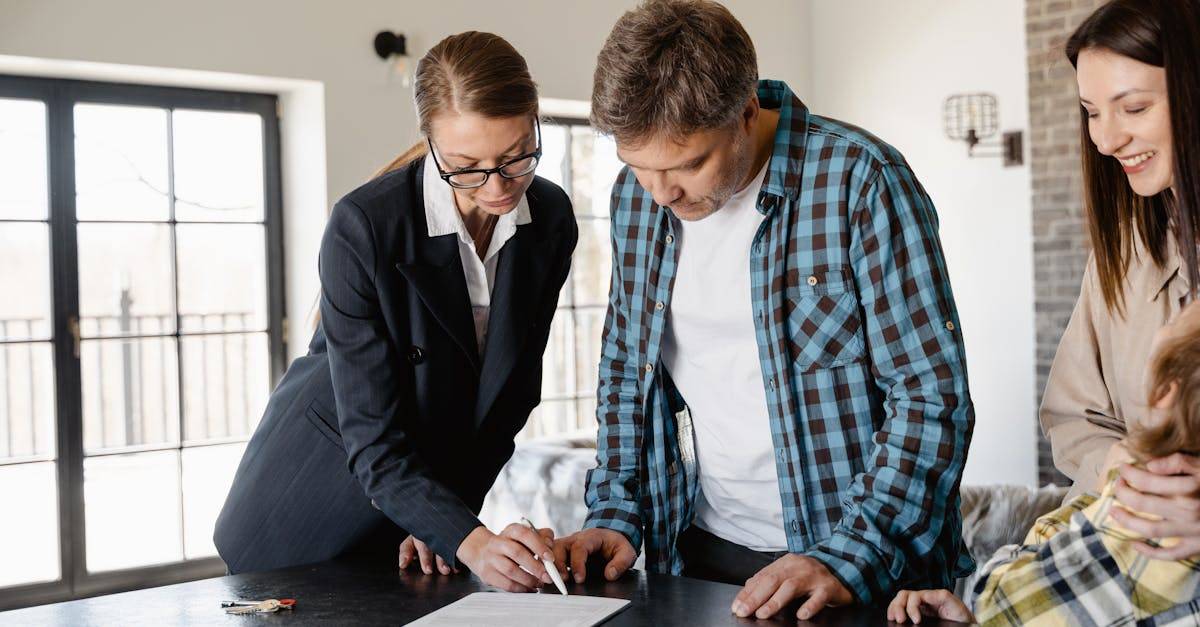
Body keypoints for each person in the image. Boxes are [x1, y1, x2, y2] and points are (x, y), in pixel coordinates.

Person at [551, 0, 975, 620]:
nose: (662, 192)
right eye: (638, 167)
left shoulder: (860, 180)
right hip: (702, 552)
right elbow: (625, 370)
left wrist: (848, 555)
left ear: (747, 111)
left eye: (688, 164)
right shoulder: (635, 202)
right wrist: (615, 511)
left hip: (861, 566)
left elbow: (930, 396)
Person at [213, 31, 578, 593]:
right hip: (315, 493)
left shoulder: (550, 218)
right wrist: (469, 538)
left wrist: (448, 521)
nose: (498, 186)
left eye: (516, 157)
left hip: (421, 506)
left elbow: (510, 395)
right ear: (431, 143)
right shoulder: (365, 225)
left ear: (534, 121)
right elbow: (373, 437)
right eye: (467, 166)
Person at [888, 300, 1200, 626]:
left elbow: (1000, 600)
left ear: (1165, 393)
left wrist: (1104, 488)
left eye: (1174, 322)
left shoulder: (1142, 515)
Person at [1040, 0, 1200, 560]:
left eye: (1133, 108)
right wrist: (1118, 467)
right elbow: (1072, 416)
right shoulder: (1123, 250)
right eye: (1091, 112)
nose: (1106, 142)